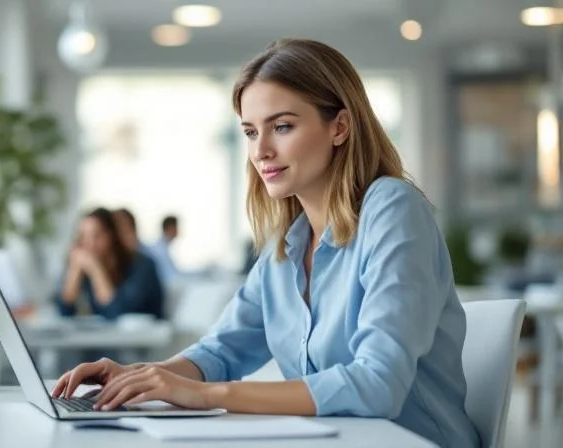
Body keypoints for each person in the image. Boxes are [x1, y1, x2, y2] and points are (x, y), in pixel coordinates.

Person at [52, 39, 480, 448]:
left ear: (340, 126)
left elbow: (378, 385)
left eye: (282, 126)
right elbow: (222, 351)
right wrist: (141, 375)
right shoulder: (285, 243)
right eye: (251, 132)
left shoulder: (391, 208)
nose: (262, 151)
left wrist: (207, 395)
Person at [54, 207, 164, 320]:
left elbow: (116, 315)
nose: (89, 244)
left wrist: (96, 270)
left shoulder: (142, 266)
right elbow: (64, 313)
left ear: (112, 236)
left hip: (145, 336)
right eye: (83, 237)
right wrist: (74, 272)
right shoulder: (85, 270)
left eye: (96, 236)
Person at [147, 215, 183, 283]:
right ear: (171, 228)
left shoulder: (164, 248)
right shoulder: (159, 250)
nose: (178, 231)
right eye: (176, 227)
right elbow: (170, 277)